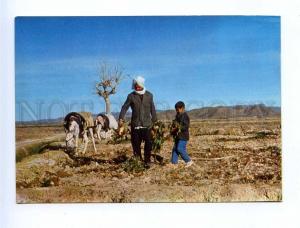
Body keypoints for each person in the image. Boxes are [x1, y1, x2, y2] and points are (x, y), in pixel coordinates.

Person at [118, 76, 157, 169]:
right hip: (135, 125)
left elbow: (152, 108)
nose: (137, 87)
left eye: (139, 86)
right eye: (136, 86)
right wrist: (121, 118)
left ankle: (147, 161)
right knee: (136, 145)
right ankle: (138, 161)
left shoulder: (149, 95)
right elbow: (124, 107)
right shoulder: (131, 96)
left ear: (142, 85)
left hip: (147, 125)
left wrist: (155, 121)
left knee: (148, 144)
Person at [170, 101, 193, 167]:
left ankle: (189, 161)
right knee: (175, 149)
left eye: (178, 109)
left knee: (180, 148)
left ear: (182, 108)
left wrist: (178, 128)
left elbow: (186, 126)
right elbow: (175, 124)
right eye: (176, 110)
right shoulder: (177, 116)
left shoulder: (185, 116)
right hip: (178, 136)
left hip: (183, 136)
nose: (177, 111)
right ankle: (174, 163)